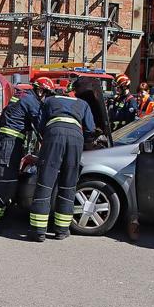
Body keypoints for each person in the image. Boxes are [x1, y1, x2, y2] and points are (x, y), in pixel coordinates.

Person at [0, 78, 50, 235]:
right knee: (7, 183)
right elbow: (40, 124)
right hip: (10, 144)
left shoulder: (20, 97)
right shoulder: (31, 100)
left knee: (7, 181)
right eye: (47, 94)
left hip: (9, 143)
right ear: (41, 91)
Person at [29, 81, 96, 242]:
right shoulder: (83, 103)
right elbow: (90, 129)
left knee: (45, 183)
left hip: (54, 135)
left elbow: (39, 123)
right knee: (68, 184)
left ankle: (39, 231)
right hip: (75, 139)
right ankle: (61, 230)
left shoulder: (49, 101)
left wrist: (47, 139)